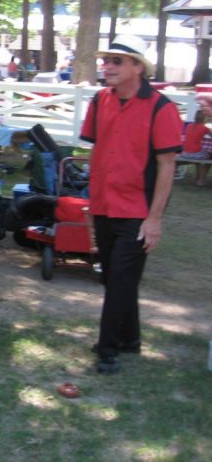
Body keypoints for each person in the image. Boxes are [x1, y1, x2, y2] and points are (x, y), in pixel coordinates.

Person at [81, 34, 182, 375]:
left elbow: (167, 165)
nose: (107, 67)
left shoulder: (161, 107)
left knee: (121, 280)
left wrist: (154, 220)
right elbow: (98, 152)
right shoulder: (99, 100)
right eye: (105, 61)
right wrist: (91, 205)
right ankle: (130, 339)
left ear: (138, 67)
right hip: (104, 206)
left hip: (137, 211)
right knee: (114, 278)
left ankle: (107, 349)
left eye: (116, 61)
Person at [181, 110, 211, 186]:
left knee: (202, 157)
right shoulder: (205, 128)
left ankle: (198, 178)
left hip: (185, 153)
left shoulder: (189, 126)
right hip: (195, 154)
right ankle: (200, 181)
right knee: (209, 157)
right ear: (204, 118)